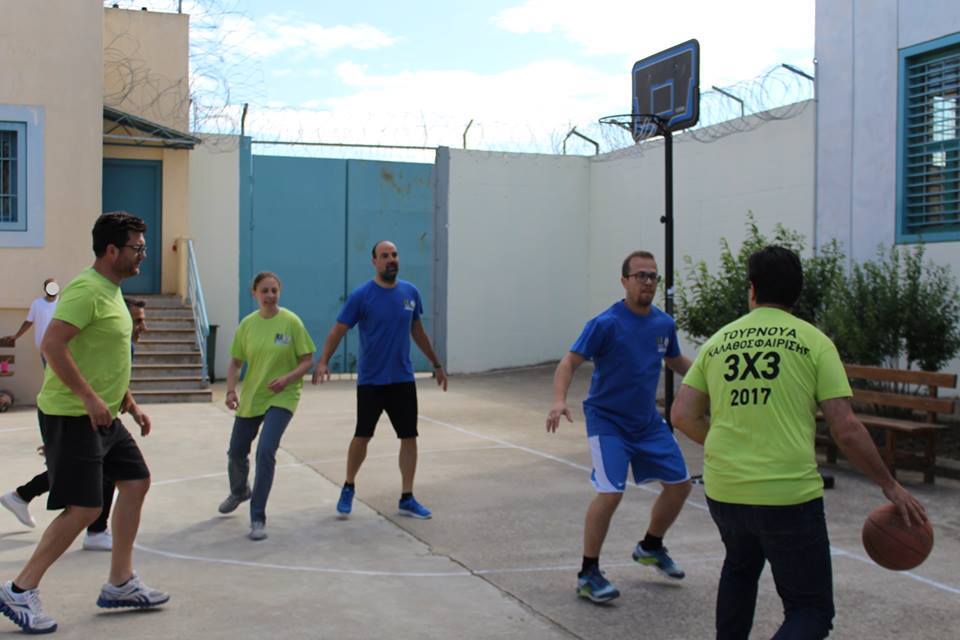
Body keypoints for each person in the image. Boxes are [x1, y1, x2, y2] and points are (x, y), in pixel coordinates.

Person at [671, 245, 928, 640]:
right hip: (787, 495)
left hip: (726, 489)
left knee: (740, 568)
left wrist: (727, 444)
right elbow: (846, 428)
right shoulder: (814, 342)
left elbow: (682, 415)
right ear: (797, 293)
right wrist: (889, 484)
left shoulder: (718, 342)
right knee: (811, 610)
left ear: (752, 289)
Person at [0, 212, 168, 635]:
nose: (143, 255)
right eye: (137, 248)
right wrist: (90, 398)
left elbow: (105, 357)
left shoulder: (112, 292)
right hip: (73, 414)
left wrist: (130, 403)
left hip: (103, 415)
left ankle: (120, 582)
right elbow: (52, 345)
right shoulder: (86, 290)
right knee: (85, 508)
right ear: (111, 250)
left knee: (136, 481)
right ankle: (20, 589)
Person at [546, 250, 693, 603]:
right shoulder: (605, 323)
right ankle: (588, 573)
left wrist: (713, 379)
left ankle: (651, 546)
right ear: (624, 281)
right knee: (611, 492)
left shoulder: (663, 324)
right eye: (640, 275)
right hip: (608, 421)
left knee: (680, 485)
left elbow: (676, 361)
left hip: (647, 422)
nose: (647, 282)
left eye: (653, 276)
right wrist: (558, 400)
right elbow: (569, 362)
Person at [312, 240, 448, 520]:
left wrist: (436, 364)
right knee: (362, 435)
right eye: (384, 255)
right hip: (371, 381)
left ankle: (407, 497)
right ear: (374, 261)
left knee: (409, 436)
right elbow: (338, 330)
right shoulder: (362, 296)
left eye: (394, 254)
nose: (391, 259)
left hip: (402, 379)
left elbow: (418, 332)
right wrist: (323, 360)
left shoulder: (410, 293)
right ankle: (348, 486)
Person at [0, 298, 148, 551]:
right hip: (79, 415)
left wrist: (134, 409)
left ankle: (23, 497)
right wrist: (60, 432)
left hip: (96, 417)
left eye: (142, 320)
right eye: (137, 321)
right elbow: (72, 375)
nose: (142, 327)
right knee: (89, 475)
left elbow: (118, 378)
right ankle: (91, 533)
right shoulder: (102, 340)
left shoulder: (123, 344)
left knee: (95, 469)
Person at [218, 272, 315, 541]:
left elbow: (307, 359)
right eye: (265, 291)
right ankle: (239, 491)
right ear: (254, 294)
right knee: (236, 452)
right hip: (253, 396)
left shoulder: (291, 322)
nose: (270, 296)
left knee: (265, 451)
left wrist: (287, 379)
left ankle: (257, 517)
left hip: (283, 395)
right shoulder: (247, 325)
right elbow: (235, 363)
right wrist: (230, 390)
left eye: (274, 290)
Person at [0, 279, 60, 363]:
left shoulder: (63, 303)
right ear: (45, 288)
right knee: (48, 370)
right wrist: (16, 336)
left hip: (60, 348)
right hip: (43, 347)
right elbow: (28, 322)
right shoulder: (37, 303)